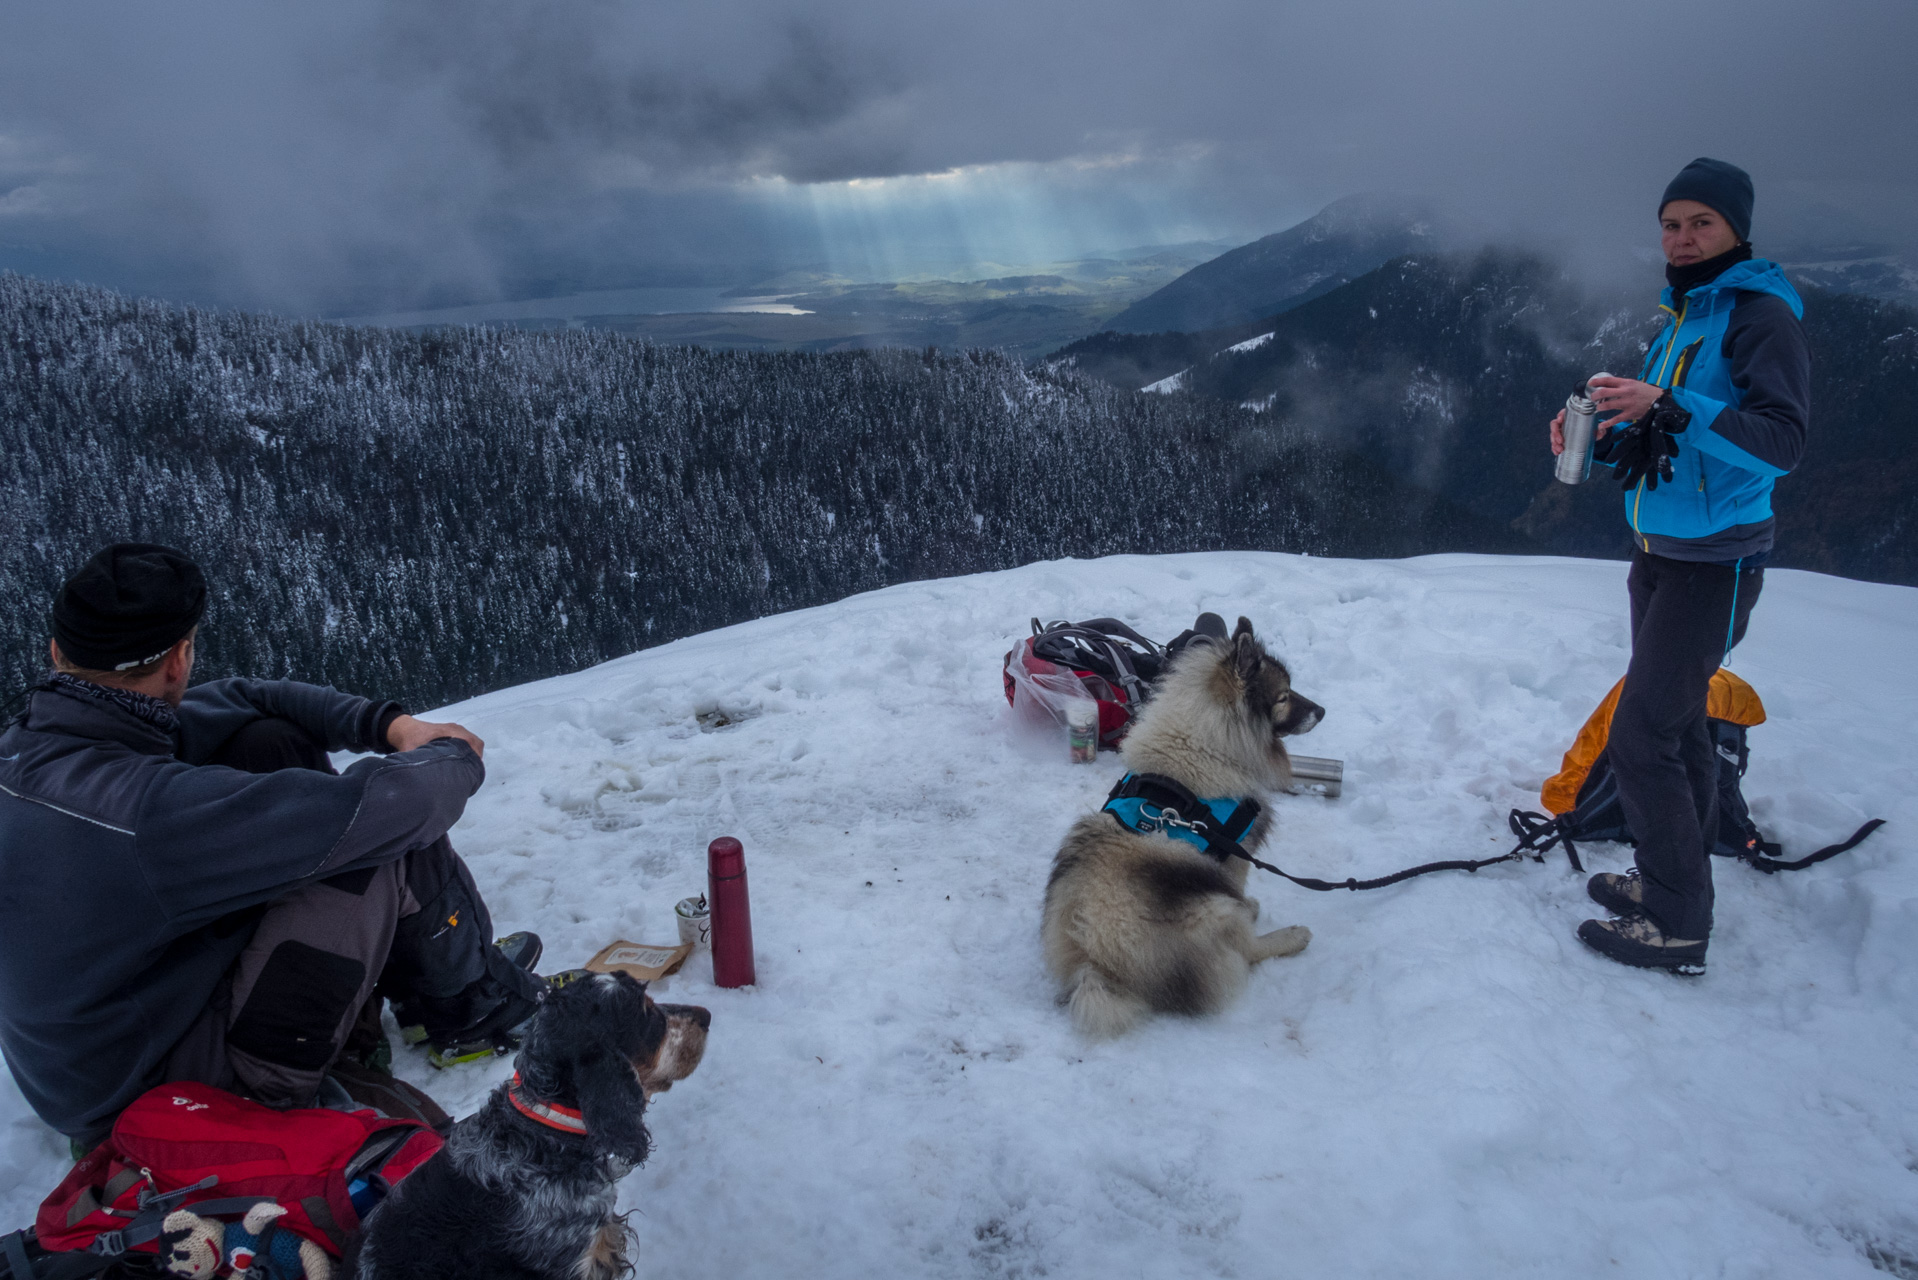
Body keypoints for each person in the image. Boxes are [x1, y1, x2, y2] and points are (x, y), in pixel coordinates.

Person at [0, 543, 548, 1149]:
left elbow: (248, 697)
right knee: (376, 838)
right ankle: (467, 1008)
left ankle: (434, 985)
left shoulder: (34, 749)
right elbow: (395, 807)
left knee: (266, 741)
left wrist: (390, 725)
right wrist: (448, 752)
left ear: (57, 654)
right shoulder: (143, 811)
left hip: (101, 1058)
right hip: (170, 1096)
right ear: (180, 659)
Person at [1549, 157, 1810, 973]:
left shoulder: (1759, 316)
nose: (1684, 238)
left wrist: (1671, 403)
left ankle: (1675, 921)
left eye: (1701, 222)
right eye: (1672, 224)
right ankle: (1678, 881)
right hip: (1659, 554)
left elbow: (1782, 441)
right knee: (1681, 725)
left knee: (1643, 737)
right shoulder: (1684, 318)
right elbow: (1668, 436)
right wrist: (1595, 444)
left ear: (1738, 229)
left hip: (1717, 562)